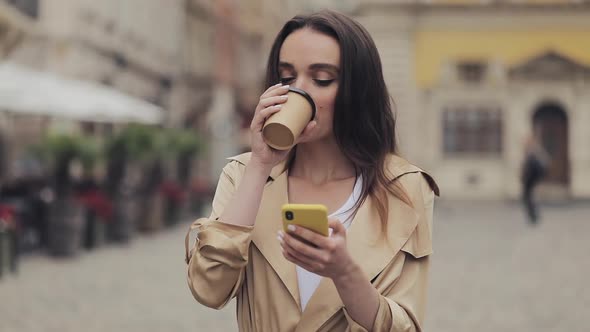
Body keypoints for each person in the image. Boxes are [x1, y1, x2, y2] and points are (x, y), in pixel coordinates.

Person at [185, 10, 439, 331]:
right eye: (287, 77)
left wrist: (344, 272)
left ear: (356, 91)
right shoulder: (244, 174)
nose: (298, 91)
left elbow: (405, 326)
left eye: (321, 79)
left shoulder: (404, 187)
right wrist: (260, 165)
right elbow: (209, 288)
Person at [521, 130, 550, 224]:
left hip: (531, 181)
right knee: (529, 199)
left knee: (530, 198)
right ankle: (532, 216)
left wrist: (534, 179)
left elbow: (537, 168)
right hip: (529, 181)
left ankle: (533, 217)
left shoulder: (534, 154)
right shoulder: (532, 153)